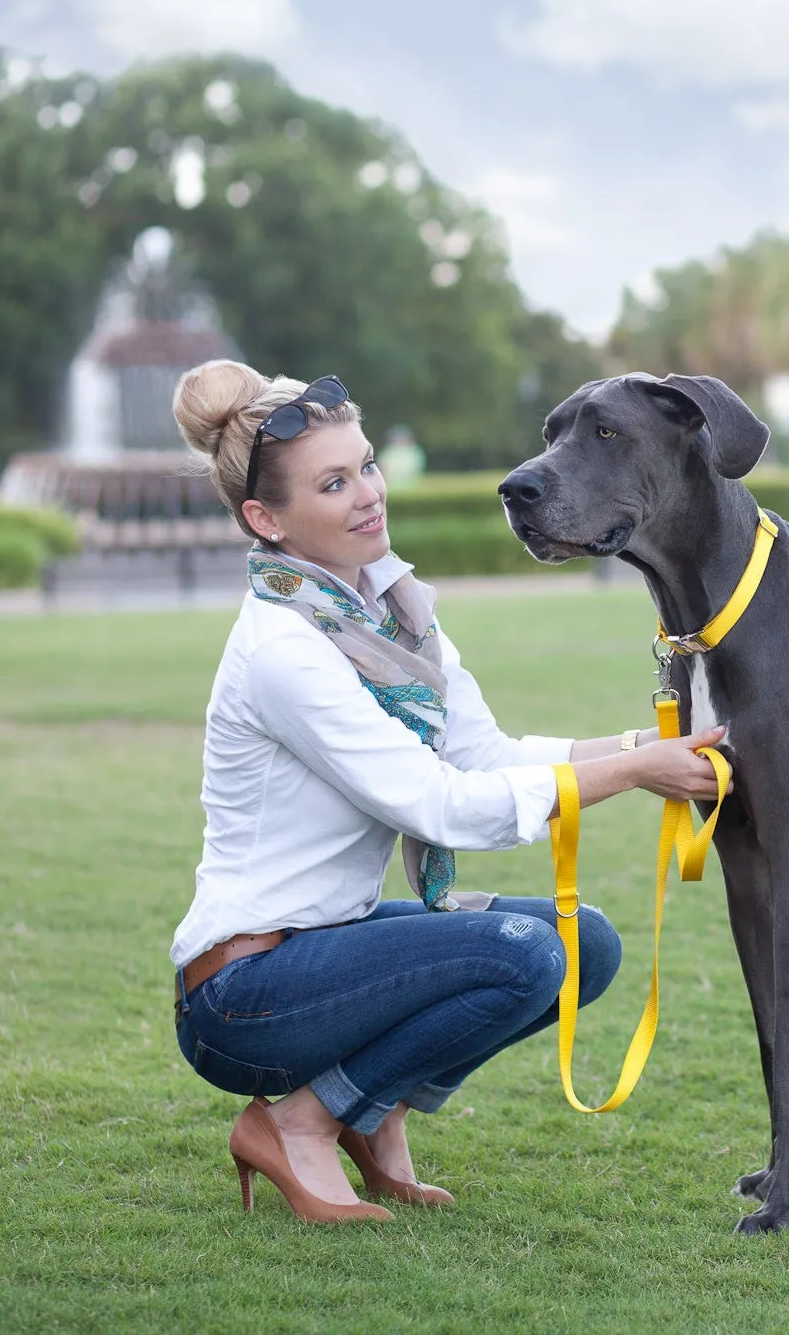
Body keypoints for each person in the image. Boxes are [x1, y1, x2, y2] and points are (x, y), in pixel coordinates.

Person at [168, 360, 730, 1223]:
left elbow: (486, 754)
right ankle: (302, 1122)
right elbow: (438, 803)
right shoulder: (284, 646)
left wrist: (644, 746)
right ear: (264, 519)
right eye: (333, 482)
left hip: (327, 945)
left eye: (365, 465)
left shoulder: (389, 614)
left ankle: (371, 1111)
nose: (368, 494)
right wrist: (632, 773)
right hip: (246, 992)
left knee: (586, 944)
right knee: (524, 954)